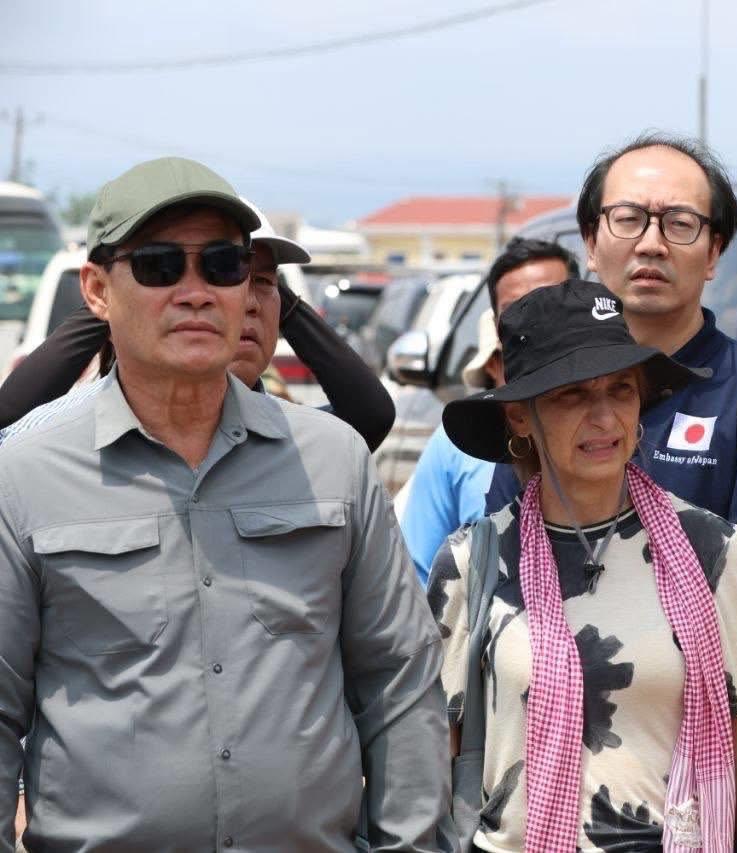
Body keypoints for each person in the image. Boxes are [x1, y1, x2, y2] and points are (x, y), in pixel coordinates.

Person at [0, 157, 451, 851]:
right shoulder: (25, 474)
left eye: (222, 265)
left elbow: (399, 681)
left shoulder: (333, 461)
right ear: (96, 289)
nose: (196, 292)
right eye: (158, 265)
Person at [430, 279, 737, 852]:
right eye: (571, 395)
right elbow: (434, 748)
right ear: (519, 417)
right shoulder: (474, 559)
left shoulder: (710, 549)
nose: (604, 417)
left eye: (621, 389)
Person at [488, 133, 737, 628]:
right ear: (591, 242)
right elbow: (502, 567)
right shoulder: (540, 390)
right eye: (628, 219)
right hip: (538, 667)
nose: (651, 244)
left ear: (714, 253)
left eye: (680, 224)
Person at [0, 204, 396, 452]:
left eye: (258, 279)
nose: (244, 301)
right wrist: (119, 300)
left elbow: (372, 416)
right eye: (165, 270)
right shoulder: (66, 444)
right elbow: (10, 424)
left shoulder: (300, 444)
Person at [401, 237, 577, 582]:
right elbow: (419, 574)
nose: (532, 324)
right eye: (515, 311)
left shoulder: (615, 426)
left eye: (549, 303)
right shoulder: (457, 443)